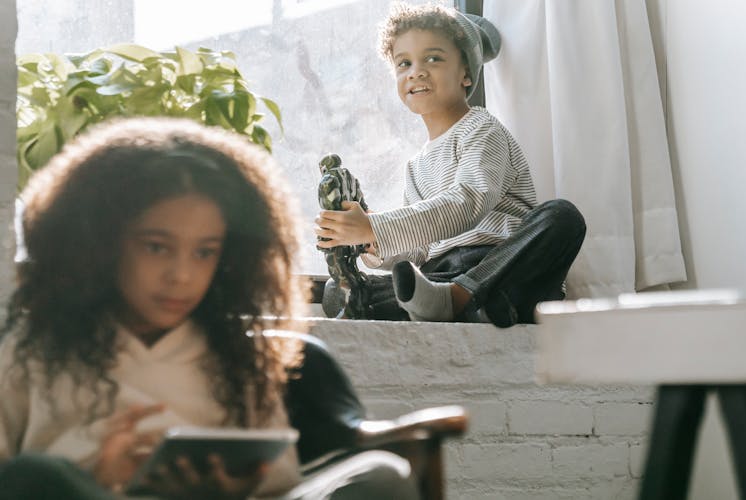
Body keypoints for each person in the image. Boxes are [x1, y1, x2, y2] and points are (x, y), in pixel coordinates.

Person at [0, 117, 418, 499]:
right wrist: (102, 477)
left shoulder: (242, 359)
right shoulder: (27, 356)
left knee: (382, 475)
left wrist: (231, 489)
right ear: (101, 244)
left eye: (204, 252)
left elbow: (283, 482)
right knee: (35, 476)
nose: (181, 275)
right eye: (156, 247)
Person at [315, 2, 586, 327]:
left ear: (466, 75)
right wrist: (369, 241)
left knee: (562, 217)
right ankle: (473, 306)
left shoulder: (482, 130)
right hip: (439, 275)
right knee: (336, 292)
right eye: (404, 63)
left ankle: (464, 298)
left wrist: (378, 226)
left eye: (433, 58)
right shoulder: (415, 166)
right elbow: (421, 250)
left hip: (498, 264)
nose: (416, 71)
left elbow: (466, 202)